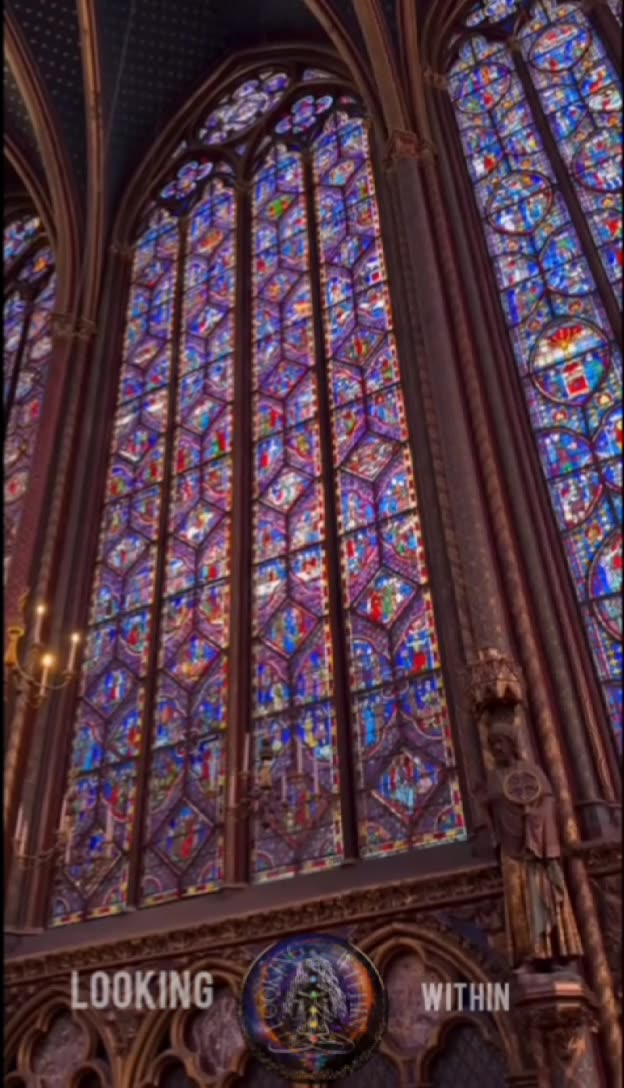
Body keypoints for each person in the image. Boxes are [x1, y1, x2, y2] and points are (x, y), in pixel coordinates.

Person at [477, 711, 582, 971]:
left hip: (535, 848)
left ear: (512, 744)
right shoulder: (494, 778)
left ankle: (555, 954)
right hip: (511, 849)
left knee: (543, 899)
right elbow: (489, 810)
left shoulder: (530, 772)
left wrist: (534, 819)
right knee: (518, 904)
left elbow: (547, 800)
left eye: (501, 742)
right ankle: (528, 956)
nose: (497, 748)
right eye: (493, 745)